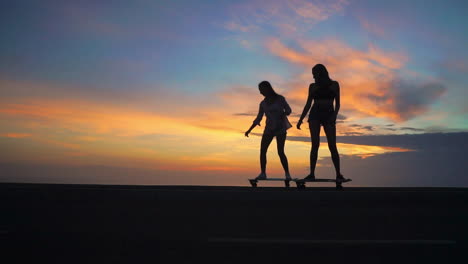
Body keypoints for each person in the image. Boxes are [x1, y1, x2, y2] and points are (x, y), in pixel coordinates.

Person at [297, 64, 346, 182]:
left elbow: (337, 103)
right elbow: (308, 104)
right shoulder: (312, 86)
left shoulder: (334, 85)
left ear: (321, 73)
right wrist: (300, 119)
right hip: (315, 114)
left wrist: (334, 116)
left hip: (329, 114)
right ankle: (312, 173)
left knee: (332, 145)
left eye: (314, 73)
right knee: (315, 144)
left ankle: (338, 174)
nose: (313, 76)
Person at [245, 81, 292, 180]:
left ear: (267, 89)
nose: (260, 92)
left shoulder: (280, 99)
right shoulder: (263, 103)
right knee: (263, 151)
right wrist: (249, 130)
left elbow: (288, 110)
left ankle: (287, 174)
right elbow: (259, 118)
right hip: (269, 129)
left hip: (280, 128)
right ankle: (263, 173)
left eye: (261, 90)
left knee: (280, 152)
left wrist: (284, 114)